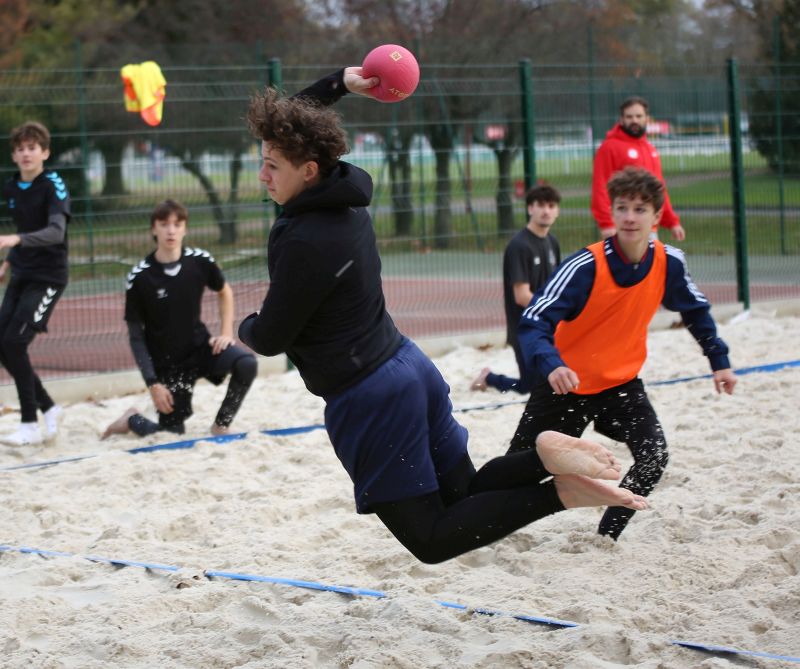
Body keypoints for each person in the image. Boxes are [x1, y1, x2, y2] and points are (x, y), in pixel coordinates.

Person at [237, 67, 647, 565]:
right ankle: (538, 460)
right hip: (410, 367)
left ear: (307, 171)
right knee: (464, 493)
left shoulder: (306, 239)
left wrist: (244, 325)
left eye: (271, 166)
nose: (262, 175)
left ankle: (558, 494)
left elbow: (272, 337)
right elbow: (295, 128)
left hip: (369, 396)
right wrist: (337, 83)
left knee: (431, 539)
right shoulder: (345, 196)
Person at [509, 166, 737, 541]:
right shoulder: (584, 266)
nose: (630, 217)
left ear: (656, 216)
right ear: (612, 212)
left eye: (639, 209)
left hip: (621, 384)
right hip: (566, 385)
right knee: (519, 471)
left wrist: (719, 362)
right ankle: (477, 522)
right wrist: (552, 364)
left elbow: (696, 312)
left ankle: (607, 536)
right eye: (622, 208)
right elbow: (533, 320)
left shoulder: (669, 262)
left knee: (654, 457)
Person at [101, 199, 257, 439]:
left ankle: (221, 426)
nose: (171, 231)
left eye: (177, 224)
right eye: (164, 224)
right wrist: (153, 383)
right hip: (168, 365)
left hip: (200, 348)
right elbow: (136, 336)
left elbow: (224, 291)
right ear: (154, 229)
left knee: (246, 363)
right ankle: (131, 419)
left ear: (185, 228)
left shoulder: (200, 261)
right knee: (171, 433)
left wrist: (226, 333)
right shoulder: (140, 277)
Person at [0, 121, 69, 446]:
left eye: (32, 147)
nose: (26, 153)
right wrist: (8, 261)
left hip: (48, 277)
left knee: (14, 343)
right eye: (20, 149)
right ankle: (50, 408)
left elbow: (56, 232)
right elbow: (25, 230)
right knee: (2, 343)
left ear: (45, 152)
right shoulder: (13, 187)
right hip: (22, 274)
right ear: (14, 156)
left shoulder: (53, 184)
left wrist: (15, 240)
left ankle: (29, 423)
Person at [471, 183, 561, 394]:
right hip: (524, 328)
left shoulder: (552, 242)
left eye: (551, 206)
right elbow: (521, 296)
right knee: (530, 387)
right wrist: (554, 310)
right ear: (530, 208)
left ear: (557, 211)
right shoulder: (519, 246)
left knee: (549, 383)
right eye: (541, 205)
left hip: (547, 326)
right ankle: (489, 378)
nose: (546, 211)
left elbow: (556, 286)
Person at [591, 96, 685, 241]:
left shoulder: (650, 149)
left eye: (638, 116)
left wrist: (672, 221)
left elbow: (659, 190)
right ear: (621, 120)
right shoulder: (609, 148)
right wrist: (607, 224)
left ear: (647, 118)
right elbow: (601, 186)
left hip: (649, 228)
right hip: (624, 228)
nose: (634, 120)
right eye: (629, 117)